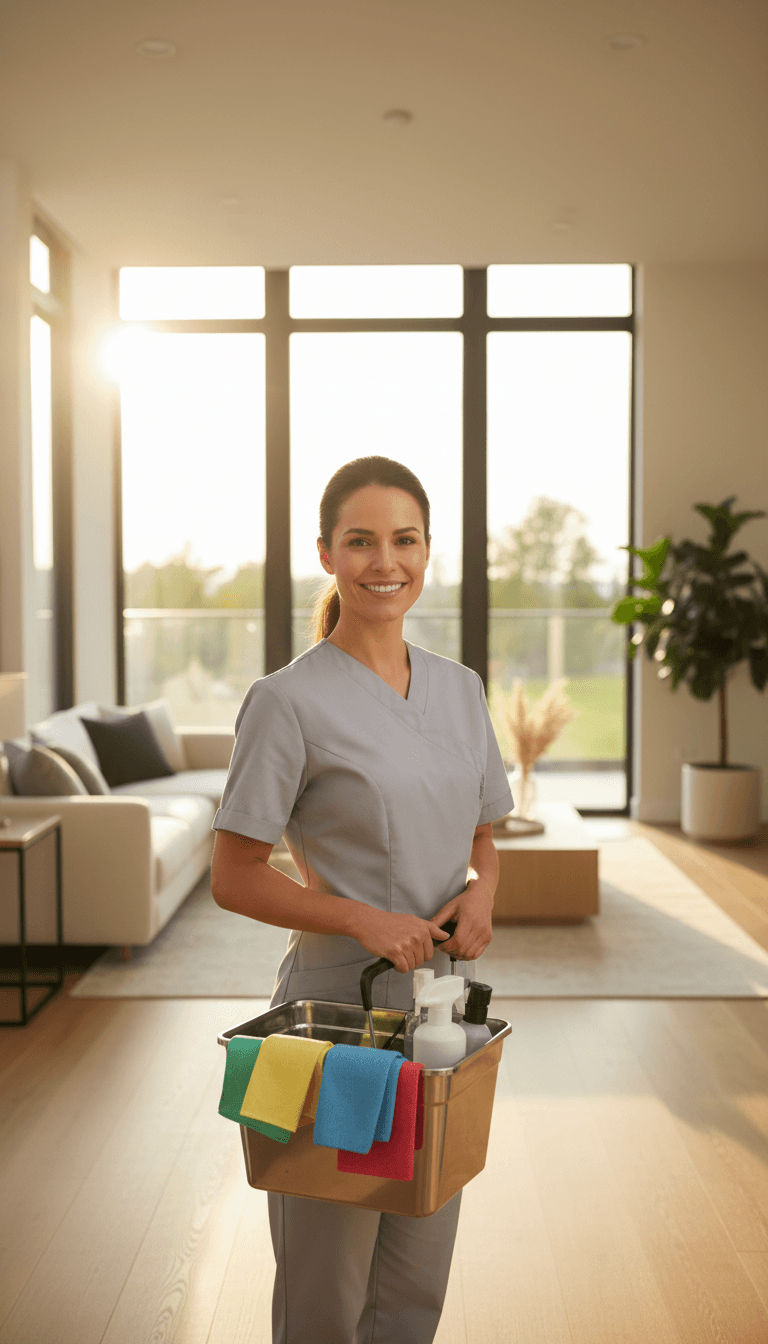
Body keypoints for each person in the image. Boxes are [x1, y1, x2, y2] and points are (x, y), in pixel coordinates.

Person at [210, 455, 513, 1344]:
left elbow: (484, 834)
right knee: (326, 1284)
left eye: (405, 539)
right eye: (362, 540)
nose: (387, 560)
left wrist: (483, 892)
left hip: (442, 1022)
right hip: (334, 1032)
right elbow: (234, 874)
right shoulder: (287, 701)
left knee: (418, 1272)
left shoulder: (461, 689)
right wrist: (359, 915)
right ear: (327, 554)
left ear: (427, 551)